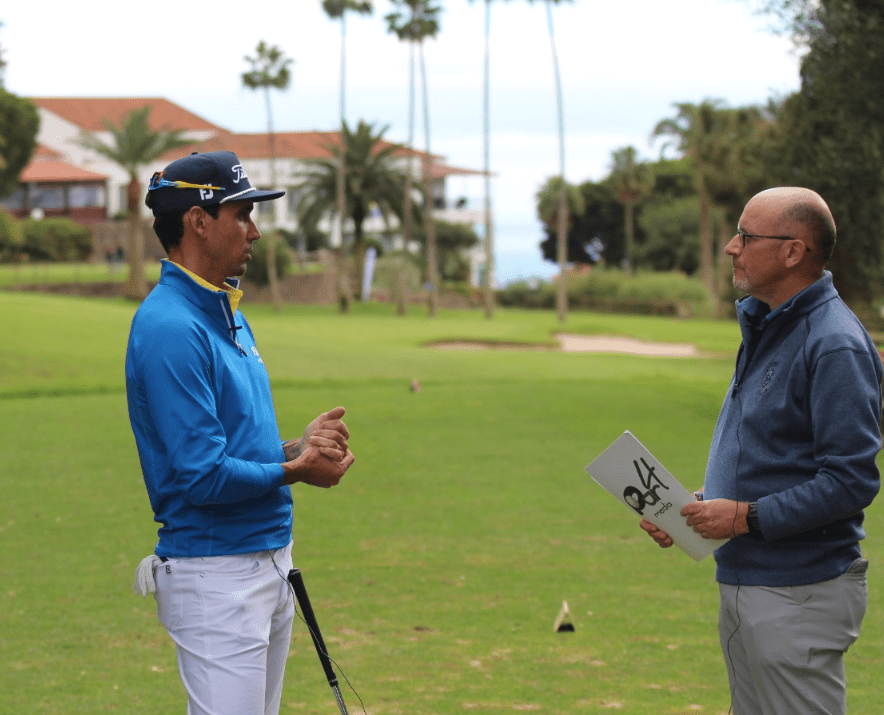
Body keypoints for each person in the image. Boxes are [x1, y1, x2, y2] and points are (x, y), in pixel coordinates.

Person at [126, 150, 355, 715]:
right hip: (216, 575)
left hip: (267, 559)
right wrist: (297, 470)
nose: (255, 231)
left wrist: (294, 449)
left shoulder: (225, 308)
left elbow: (232, 450)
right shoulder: (171, 326)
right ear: (199, 221)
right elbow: (202, 475)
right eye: (242, 214)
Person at [640, 187, 881, 715]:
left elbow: (851, 481)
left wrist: (743, 517)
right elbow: (772, 455)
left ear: (793, 252)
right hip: (751, 582)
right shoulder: (769, 324)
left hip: (799, 593)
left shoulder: (832, 341)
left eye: (746, 236)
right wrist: (697, 509)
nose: (731, 246)